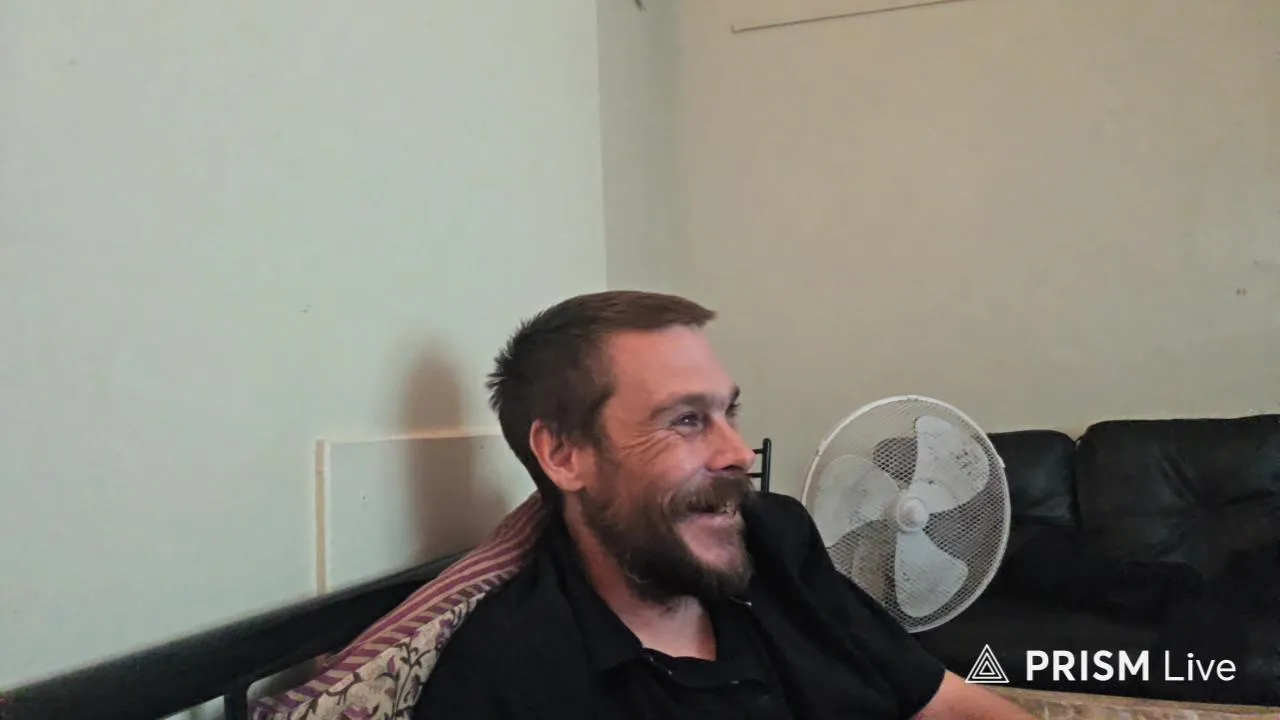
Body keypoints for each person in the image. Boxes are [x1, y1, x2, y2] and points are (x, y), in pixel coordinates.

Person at [413, 290, 1033, 719]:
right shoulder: (511, 681)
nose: (737, 452)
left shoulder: (777, 537)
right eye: (686, 420)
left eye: (728, 412)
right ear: (564, 454)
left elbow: (942, 700)